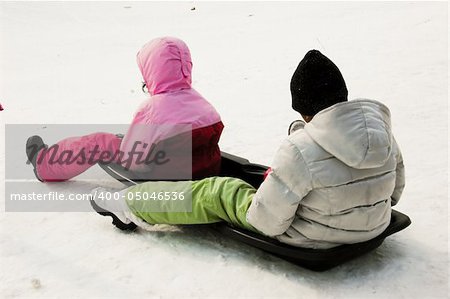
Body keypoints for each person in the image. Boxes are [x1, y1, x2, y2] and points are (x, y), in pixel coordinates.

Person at [91, 50, 405, 249]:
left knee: (217, 190)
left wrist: (262, 193)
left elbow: (267, 222)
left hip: (316, 237)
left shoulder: (299, 150)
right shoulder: (381, 131)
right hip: (374, 225)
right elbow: (394, 193)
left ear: (305, 110)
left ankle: (128, 205)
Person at [26, 37, 224, 182]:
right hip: (204, 171)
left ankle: (43, 165)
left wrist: (123, 146)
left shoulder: (153, 109)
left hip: (161, 177)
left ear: (152, 72)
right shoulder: (204, 105)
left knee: (98, 142)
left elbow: (132, 160)